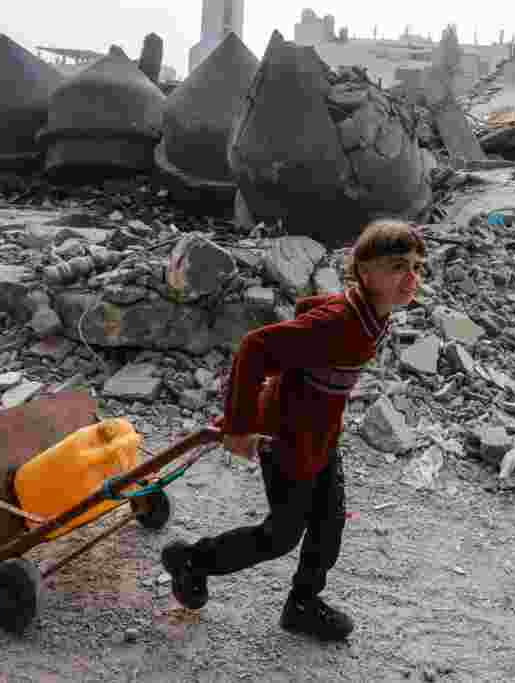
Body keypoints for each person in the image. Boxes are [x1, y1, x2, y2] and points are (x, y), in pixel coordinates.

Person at [161, 219, 428, 641]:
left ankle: (302, 604)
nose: (411, 278)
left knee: (329, 523)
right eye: (398, 267)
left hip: (320, 433)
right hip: (287, 436)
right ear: (364, 272)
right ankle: (194, 561)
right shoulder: (342, 321)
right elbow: (256, 348)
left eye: (416, 266)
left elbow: (309, 310)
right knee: (280, 536)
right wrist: (240, 425)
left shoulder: (369, 311)